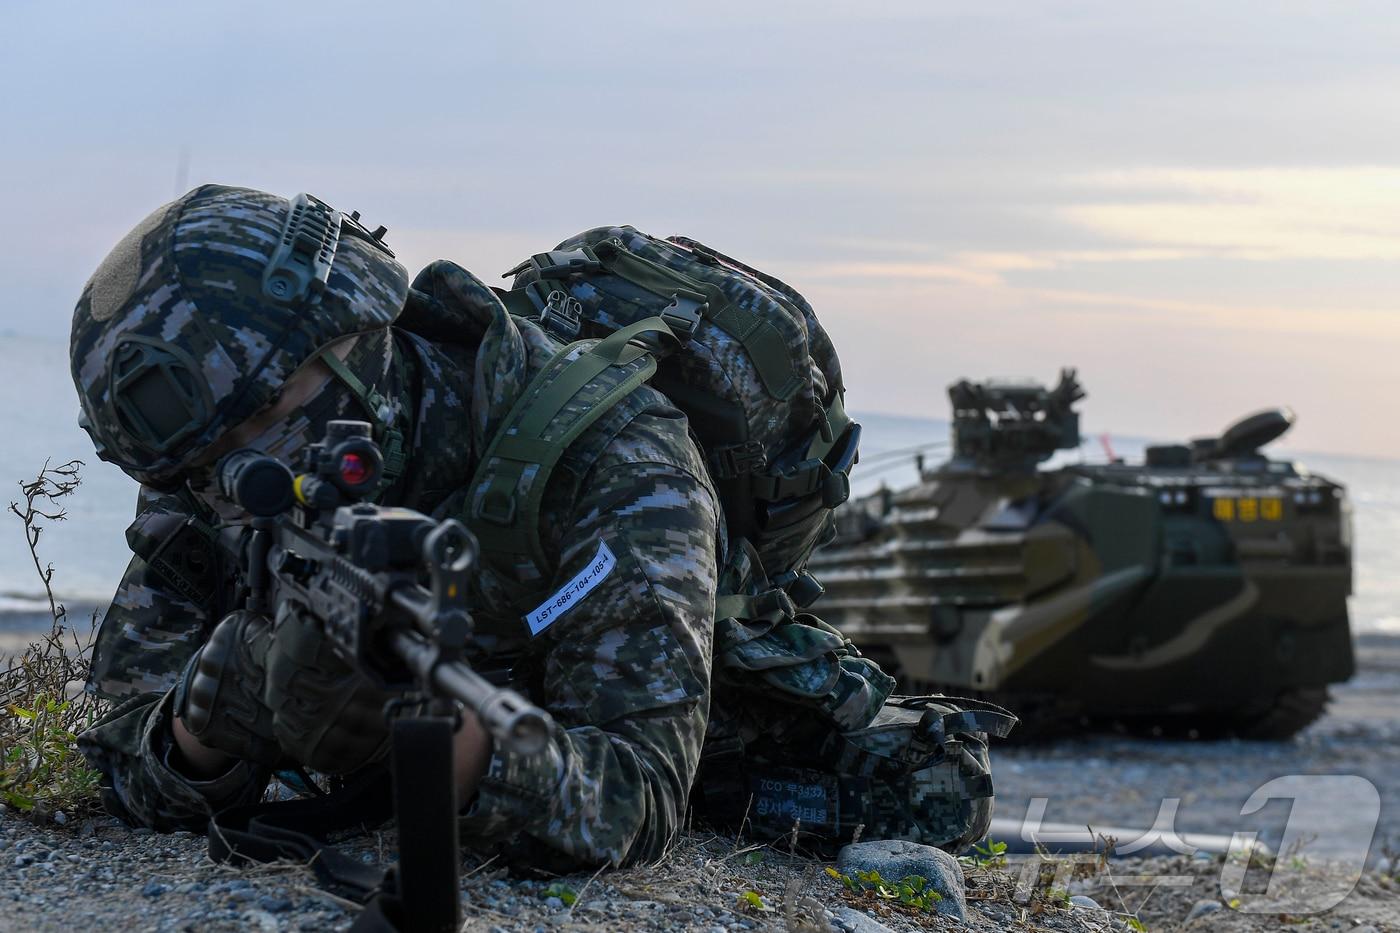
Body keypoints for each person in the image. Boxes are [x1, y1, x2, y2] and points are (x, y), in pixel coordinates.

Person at [72, 185, 1010, 872]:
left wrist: (438, 744)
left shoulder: (613, 455)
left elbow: (638, 799)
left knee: (926, 787)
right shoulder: (221, 472)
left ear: (358, 332)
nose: (241, 475)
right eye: (205, 460)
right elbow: (124, 737)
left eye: (271, 412)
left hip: (631, 673)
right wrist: (203, 727)